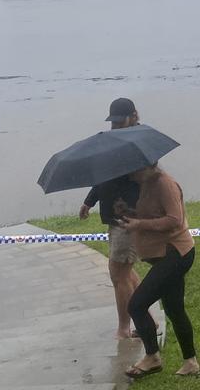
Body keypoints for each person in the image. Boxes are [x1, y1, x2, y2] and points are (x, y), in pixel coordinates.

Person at [120, 161, 200, 378]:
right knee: (174, 309)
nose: (130, 176)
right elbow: (151, 212)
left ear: (145, 166)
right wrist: (129, 213)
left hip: (175, 252)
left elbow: (175, 220)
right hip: (163, 255)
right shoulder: (146, 183)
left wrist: (139, 225)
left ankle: (152, 357)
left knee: (136, 305)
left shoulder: (164, 184)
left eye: (133, 170)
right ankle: (190, 362)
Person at [78, 97, 143, 340]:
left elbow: (148, 180)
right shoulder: (113, 143)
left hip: (129, 219)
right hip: (113, 218)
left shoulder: (138, 146)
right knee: (124, 272)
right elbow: (103, 176)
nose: (116, 126)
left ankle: (124, 328)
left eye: (120, 121)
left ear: (134, 116)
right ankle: (146, 319)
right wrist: (89, 200)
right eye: (113, 122)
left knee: (118, 273)